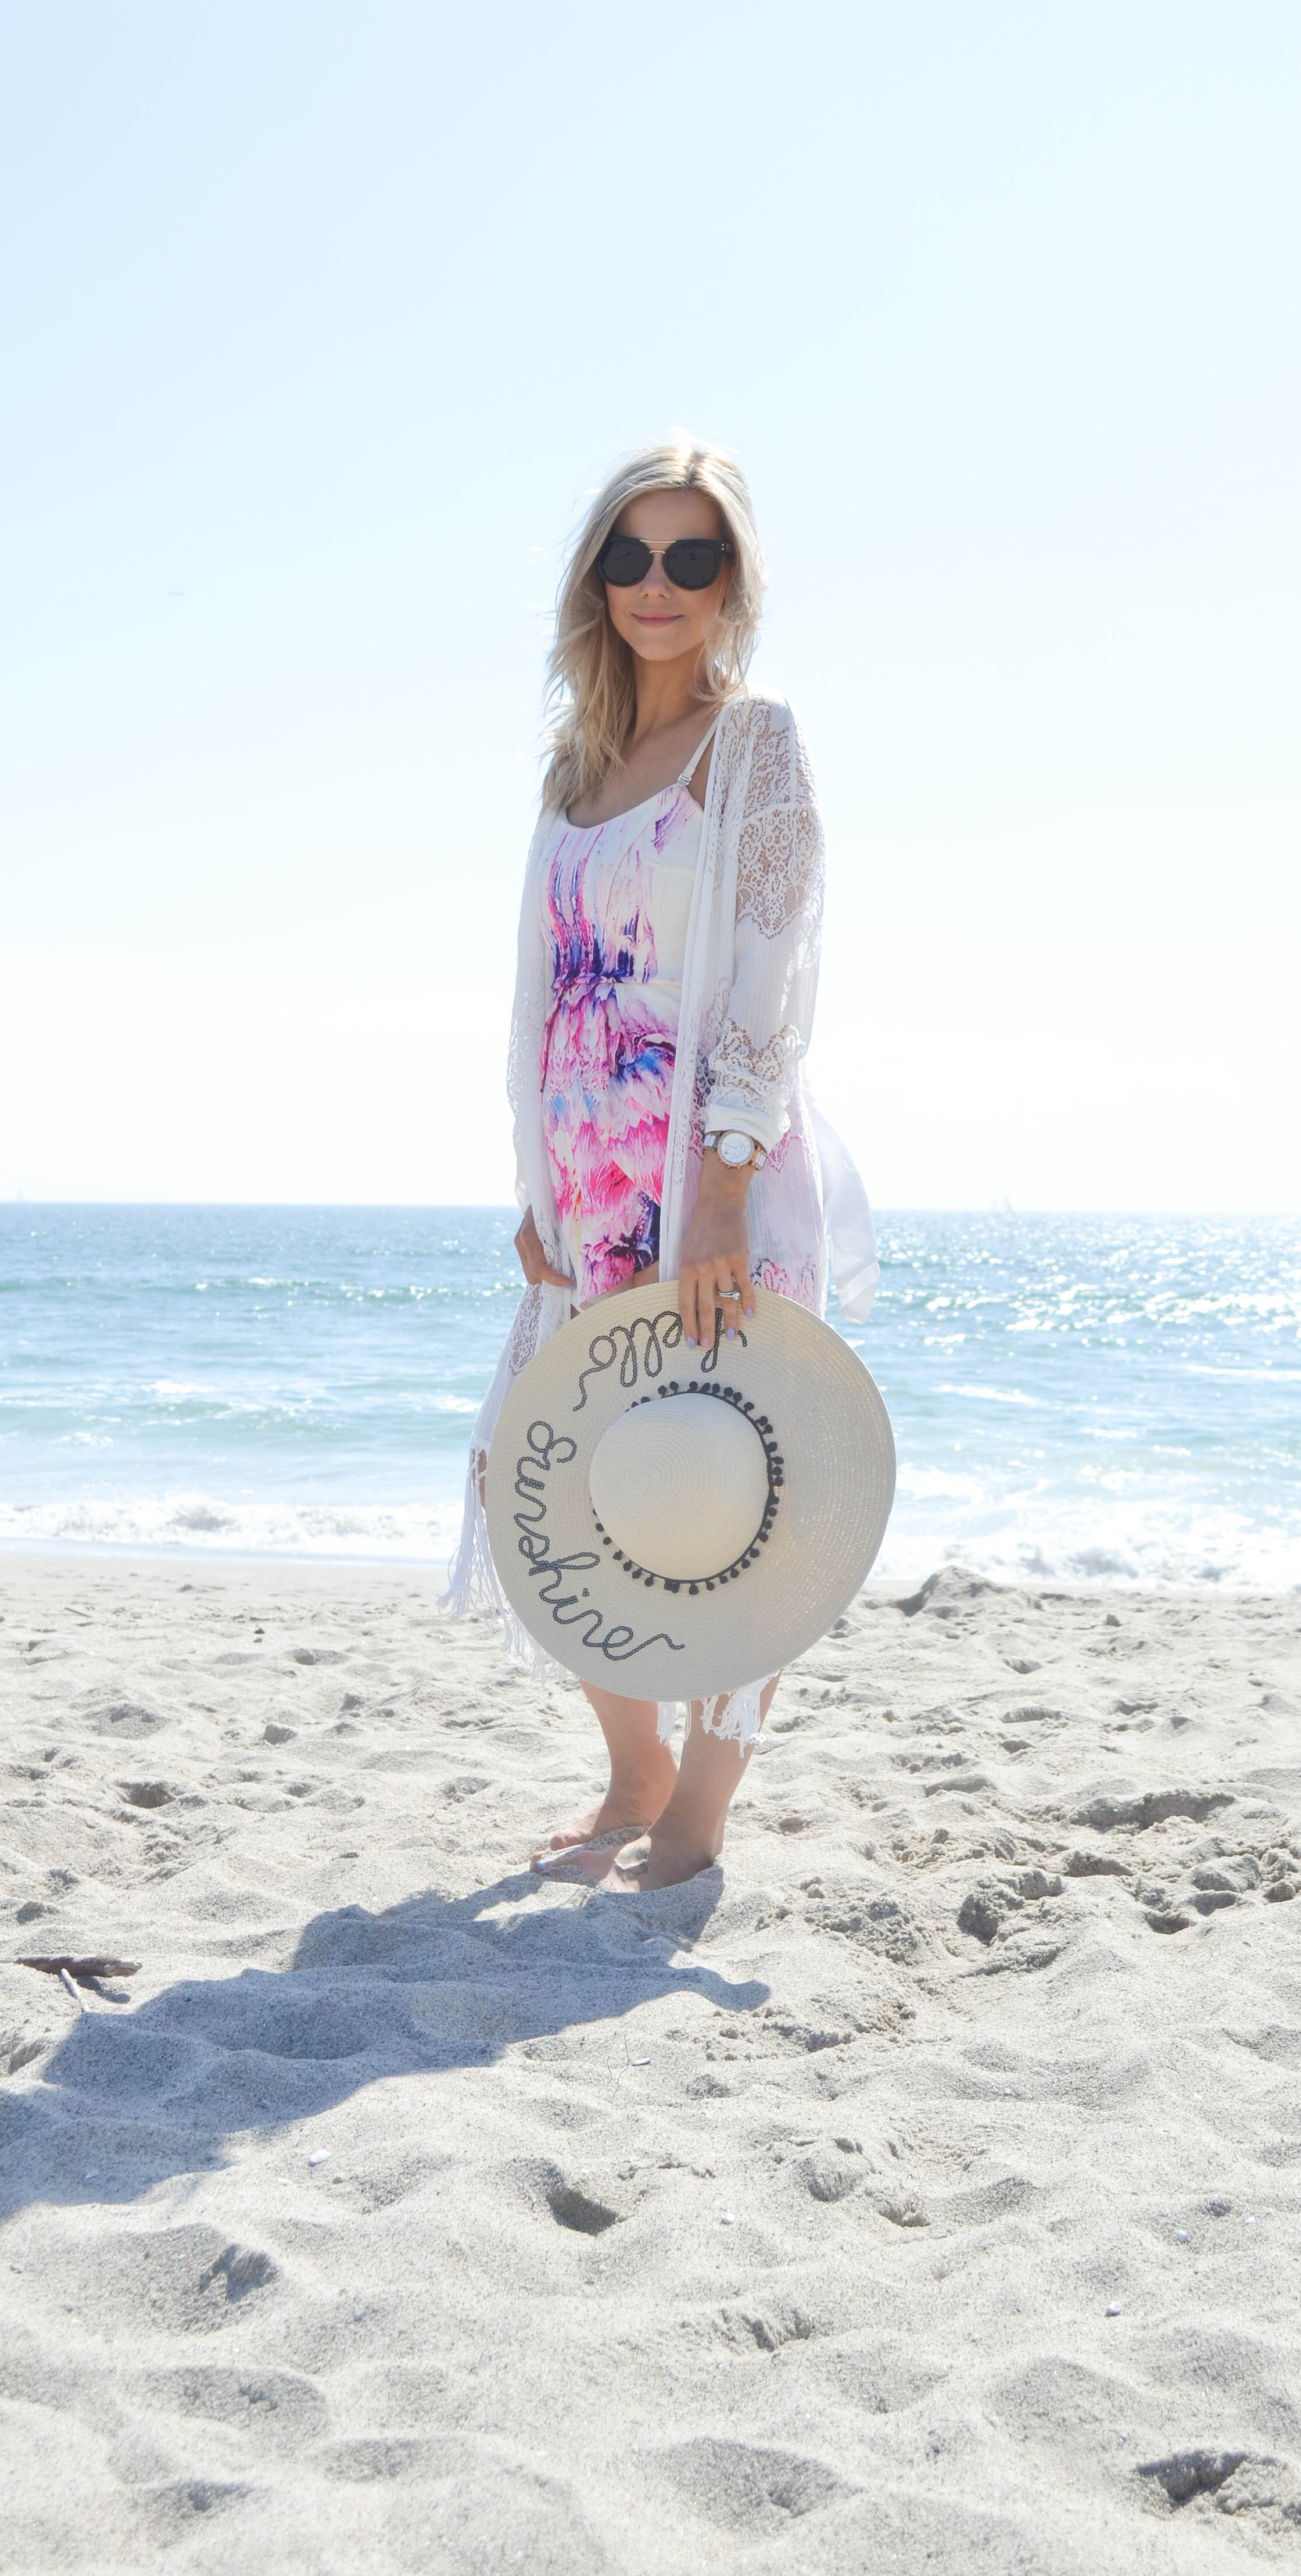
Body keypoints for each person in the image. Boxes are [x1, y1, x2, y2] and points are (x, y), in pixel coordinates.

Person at [447, 435, 872, 1892]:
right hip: (587, 1200)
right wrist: (533, 1192)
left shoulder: (755, 747)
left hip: (709, 1195)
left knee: (735, 1504)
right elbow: (546, 1001)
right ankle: (632, 1770)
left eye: (694, 557)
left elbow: (770, 978)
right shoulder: (576, 766)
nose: (657, 584)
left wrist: (727, 1189)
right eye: (630, 555)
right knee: (539, 1486)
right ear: (595, 578)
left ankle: (697, 1814)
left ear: (734, 582)